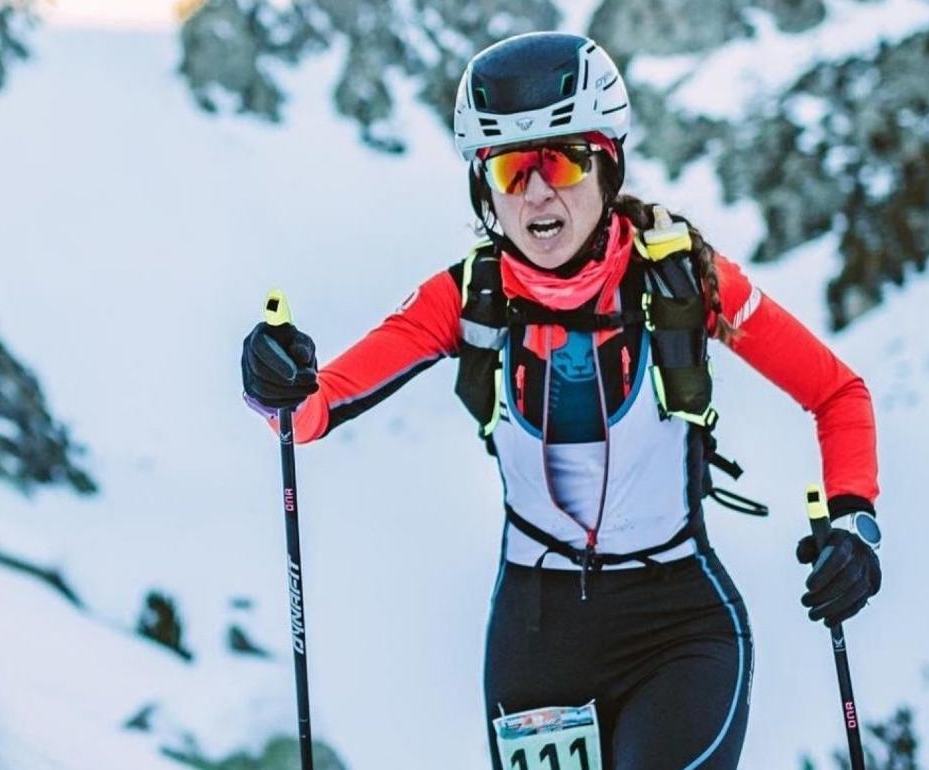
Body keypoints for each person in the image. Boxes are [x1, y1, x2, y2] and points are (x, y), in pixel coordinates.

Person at [241, 31, 881, 770]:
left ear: (607, 163)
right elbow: (312, 410)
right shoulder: (467, 297)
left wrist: (854, 523)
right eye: (512, 169)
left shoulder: (685, 283)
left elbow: (837, 392)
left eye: (562, 159)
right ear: (484, 189)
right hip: (535, 641)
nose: (538, 193)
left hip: (681, 626)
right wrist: (274, 380)